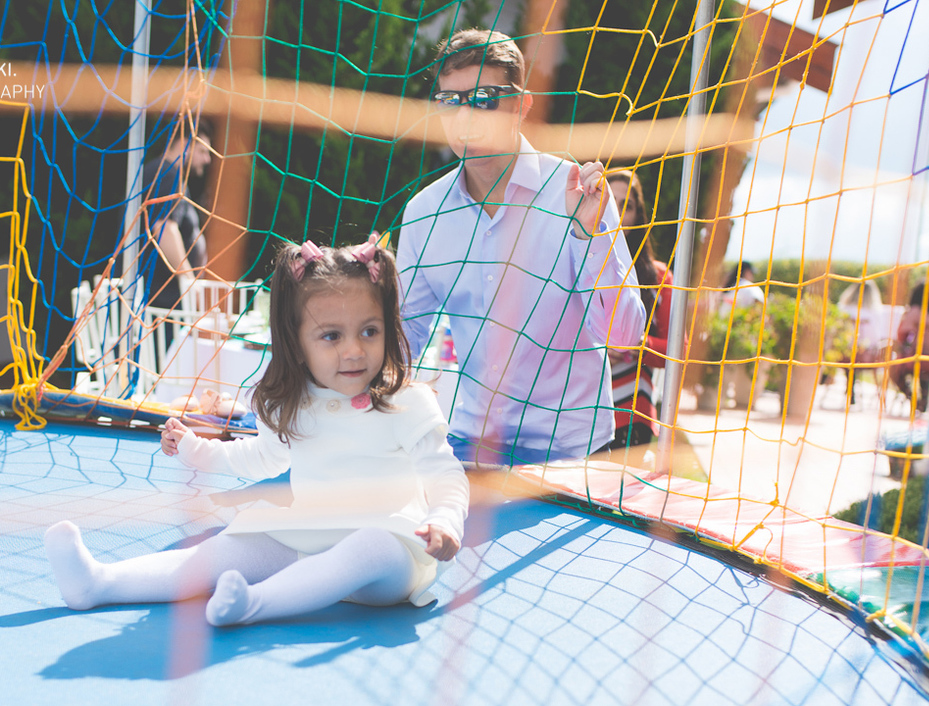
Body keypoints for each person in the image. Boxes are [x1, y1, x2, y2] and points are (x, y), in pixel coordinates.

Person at [44, 236, 470, 626]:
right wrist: (197, 450)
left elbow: (445, 475)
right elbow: (262, 457)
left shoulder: (407, 401)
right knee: (223, 550)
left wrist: (445, 519)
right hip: (311, 532)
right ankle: (99, 582)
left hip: (392, 556)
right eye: (331, 336)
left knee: (369, 545)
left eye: (369, 331)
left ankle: (256, 603)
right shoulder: (297, 403)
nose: (354, 350)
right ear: (297, 343)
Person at [397, 29, 646, 467]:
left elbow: (624, 336)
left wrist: (588, 237)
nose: (465, 117)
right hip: (472, 442)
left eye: (484, 98)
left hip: (573, 451)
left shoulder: (576, 192)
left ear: (523, 105)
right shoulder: (424, 213)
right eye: (449, 101)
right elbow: (403, 342)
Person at [604, 169, 680, 449]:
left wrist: (637, 345)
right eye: (611, 202)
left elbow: (677, 350)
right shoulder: (574, 265)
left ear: (640, 215)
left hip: (631, 415)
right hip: (576, 409)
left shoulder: (659, 278)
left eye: (628, 206)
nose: (620, 214)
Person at [143, 116, 213, 317]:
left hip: (159, 299)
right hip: (161, 303)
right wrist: (188, 280)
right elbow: (163, 227)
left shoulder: (160, 171)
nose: (207, 159)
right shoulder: (168, 173)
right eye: (202, 151)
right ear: (184, 145)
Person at [889, 280, 929, 412]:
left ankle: (913, 399)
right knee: (926, 372)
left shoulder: (915, 311)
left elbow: (901, 335)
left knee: (893, 367)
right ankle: (924, 399)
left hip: (917, 358)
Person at [836, 280, 888, 406]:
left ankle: (850, 388)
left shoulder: (844, 309)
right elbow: (877, 337)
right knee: (859, 353)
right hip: (868, 357)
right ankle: (851, 390)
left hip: (845, 355)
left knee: (850, 356)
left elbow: (837, 333)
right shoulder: (876, 312)